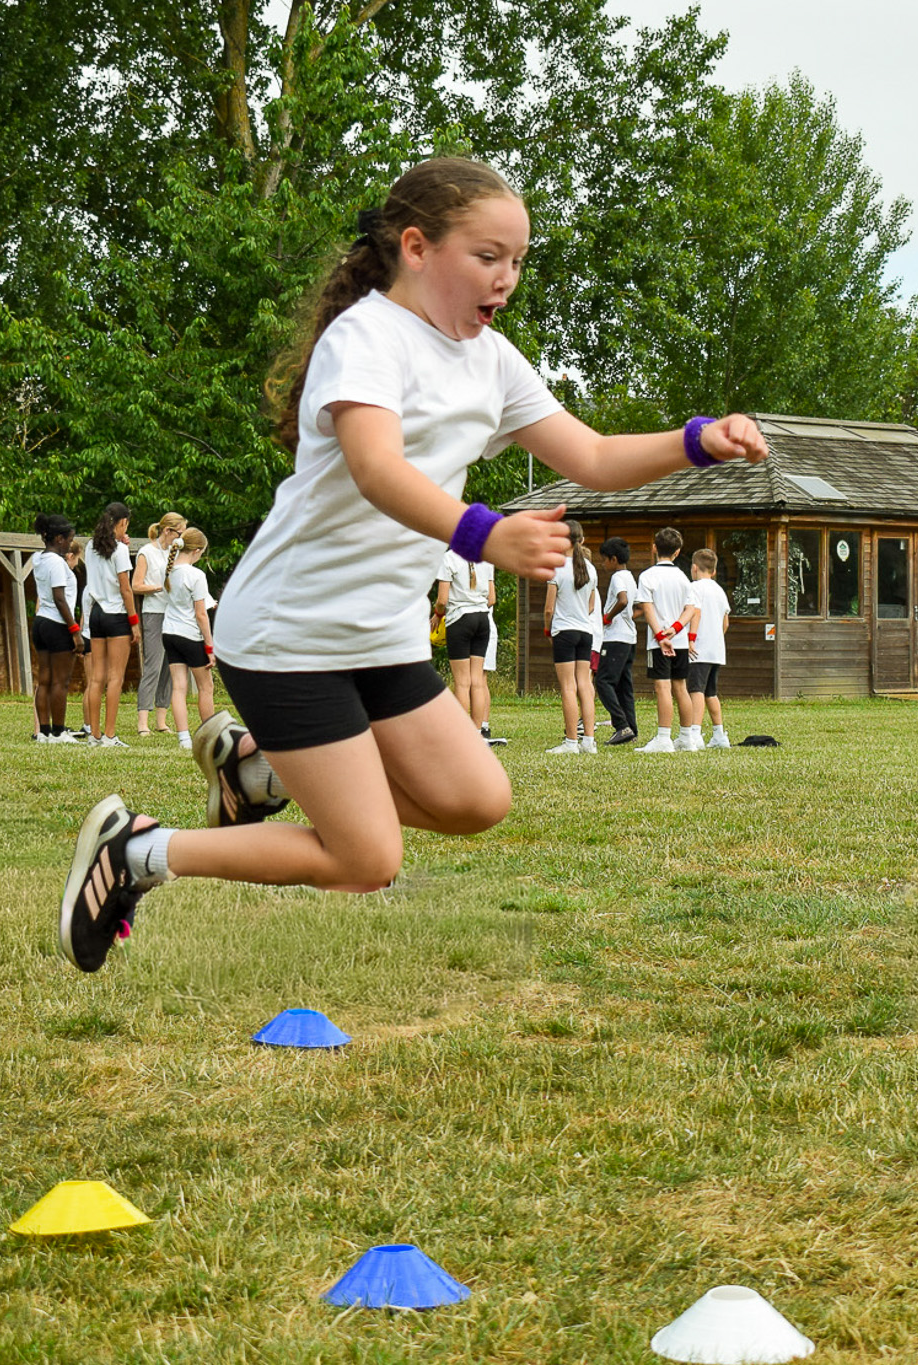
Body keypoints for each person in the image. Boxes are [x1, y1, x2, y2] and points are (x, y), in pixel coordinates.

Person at [49, 155, 766, 969]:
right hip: (294, 637)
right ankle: (136, 850)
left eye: (519, 261)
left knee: (476, 797)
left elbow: (594, 455)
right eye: (488, 257)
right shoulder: (368, 337)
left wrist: (698, 441)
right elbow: (376, 467)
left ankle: (255, 774)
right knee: (365, 859)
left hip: (380, 637)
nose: (508, 279)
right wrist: (484, 534)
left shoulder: (493, 359)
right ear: (418, 248)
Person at [80, 502, 137, 748]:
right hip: (115, 615)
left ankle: (94, 735)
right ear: (122, 522)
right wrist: (134, 622)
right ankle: (110, 735)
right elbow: (126, 588)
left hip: (95, 614)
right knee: (116, 677)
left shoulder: (89, 546)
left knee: (96, 678)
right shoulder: (121, 551)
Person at [541, 520, 601, 754]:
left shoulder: (556, 568)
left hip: (564, 631)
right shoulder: (591, 568)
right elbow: (591, 605)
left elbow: (549, 608)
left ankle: (571, 742)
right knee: (585, 684)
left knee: (568, 687)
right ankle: (589, 741)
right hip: (585, 632)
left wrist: (548, 630)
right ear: (582, 541)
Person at [633, 527, 692, 753]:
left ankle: (664, 737)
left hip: (658, 642)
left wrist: (660, 636)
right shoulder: (683, 578)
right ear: (677, 552)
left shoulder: (648, 576)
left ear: (654, 547)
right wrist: (676, 630)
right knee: (680, 686)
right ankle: (686, 736)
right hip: (681, 640)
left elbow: (647, 609)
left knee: (662, 687)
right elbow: (691, 609)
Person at [158, 528, 217, 749]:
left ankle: (184, 738)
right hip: (190, 635)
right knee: (205, 686)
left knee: (179, 687)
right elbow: (201, 614)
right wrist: (209, 645)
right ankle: (210, 736)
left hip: (170, 633)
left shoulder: (170, 571)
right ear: (197, 550)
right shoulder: (196, 575)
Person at [434, 548, 500, 743]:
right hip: (482, 619)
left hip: (460, 620)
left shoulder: (449, 558)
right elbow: (492, 599)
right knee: (477, 680)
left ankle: (463, 736)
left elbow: (442, 601)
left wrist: (437, 615)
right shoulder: (486, 559)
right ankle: (478, 731)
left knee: (462, 682)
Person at [29, 513, 83, 743]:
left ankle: (43, 731)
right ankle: (59, 732)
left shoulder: (38, 559)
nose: (70, 545)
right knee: (61, 681)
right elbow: (60, 598)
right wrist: (75, 630)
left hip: (40, 622)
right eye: (69, 540)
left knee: (44, 680)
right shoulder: (57, 563)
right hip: (57, 624)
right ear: (59, 538)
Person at [130, 513, 185, 738]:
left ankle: (161, 720)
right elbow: (135, 585)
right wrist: (155, 588)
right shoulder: (147, 552)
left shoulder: (177, 552)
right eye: (179, 533)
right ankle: (143, 720)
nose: (180, 538)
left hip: (173, 614)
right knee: (153, 665)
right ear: (167, 531)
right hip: (154, 613)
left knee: (169, 669)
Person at [677, 548, 732, 750]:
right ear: (714, 571)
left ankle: (695, 732)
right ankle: (719, 734)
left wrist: (691, 639)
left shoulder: (695, 588)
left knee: (695, 689)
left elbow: (695, 613)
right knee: (711, 692)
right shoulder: (720, 591)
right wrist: (716, 637)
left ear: (694, 568)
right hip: (716, 649)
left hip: (698, 647)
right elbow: (726, 622)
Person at [594, 537, 638, 745]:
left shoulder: (618, 577)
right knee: (623, 686)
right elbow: (634, 607)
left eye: (604, 560)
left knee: (603, 681)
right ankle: (631, 728)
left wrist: (608, 617)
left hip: (615, 638)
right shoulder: (630, 577)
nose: (603, 564)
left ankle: (621, 725)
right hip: (630, 637)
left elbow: (623, 600)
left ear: (613, 559)